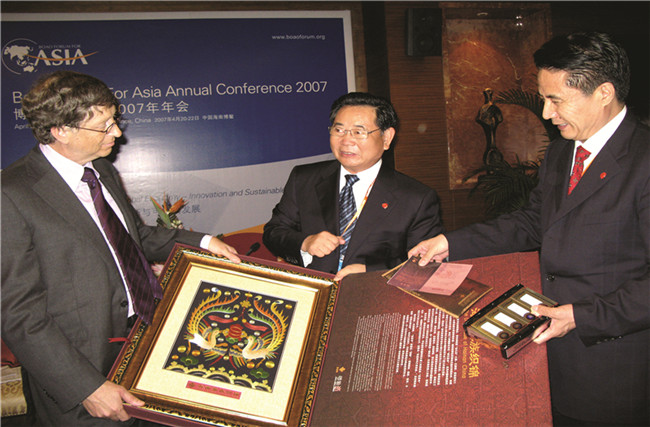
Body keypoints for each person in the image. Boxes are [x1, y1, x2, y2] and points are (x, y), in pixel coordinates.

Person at [409, 32, 649, 426]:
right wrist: (451, 242)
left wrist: (582, 317)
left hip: (611, 364)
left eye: (556, 100)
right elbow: (533, 221)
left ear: (603, 92)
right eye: (543, 98)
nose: (548, 113)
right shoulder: (562, 151)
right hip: (548, 353)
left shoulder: (643, 159)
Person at [1, 71, 241, 426]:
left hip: (144, 347)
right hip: (82, 371)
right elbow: (19, 315)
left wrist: (205, 242)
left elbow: (132, 237)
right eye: (104, 126)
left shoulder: (101, 170)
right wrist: (86, 387)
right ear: (61, 130)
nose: (116, 133)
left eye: (115, 120)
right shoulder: (11, 193)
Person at [263, 92, 444, 281]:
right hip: (312, 289)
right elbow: (274, 232)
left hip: (374, 294)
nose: (346, 141)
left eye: (359, 132)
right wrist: (305, 243)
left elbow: (427, 261)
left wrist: (373, 271)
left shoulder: (416, 198)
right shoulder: (303, 178)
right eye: (339, 130)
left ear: (387, 138)